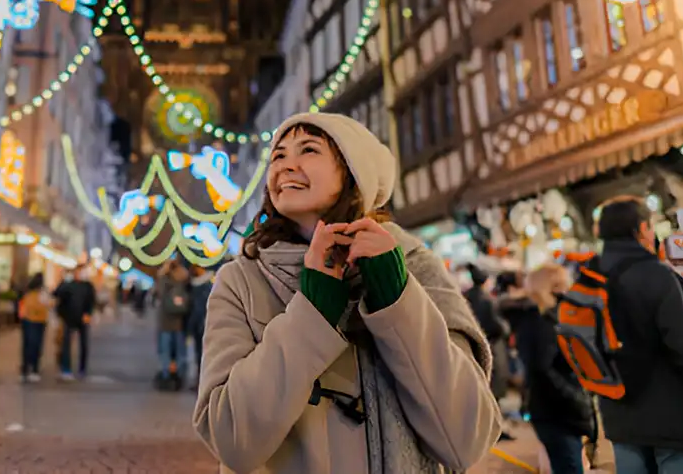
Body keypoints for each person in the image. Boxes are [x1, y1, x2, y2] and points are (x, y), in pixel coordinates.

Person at [193, 112, 501, 473]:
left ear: (354, 174)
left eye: (308, 150)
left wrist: (397, 300)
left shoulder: (416, 266)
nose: (286, 166)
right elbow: (231, 441)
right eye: (278, 156)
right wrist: (313, 314)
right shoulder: (241, 281)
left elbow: (468, 439)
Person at [594, 197, 683, 474]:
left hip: (622, 425)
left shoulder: (589, 281)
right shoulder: (658, 277)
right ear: (643, 228)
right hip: (679, 426)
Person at [516, 263, 595, 474]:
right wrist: (575, 398)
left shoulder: (535, 318)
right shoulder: (545, 322)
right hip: (558, 412)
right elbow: (544, 369)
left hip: (551, 410)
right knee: (569, 466)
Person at [465, 263, 514, 441]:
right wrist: (506, 328)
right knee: (493, 391)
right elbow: (498, 326)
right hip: (492, 348)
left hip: (473, 349)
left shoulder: (466, 297)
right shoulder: (486, 300)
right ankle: (493, 431)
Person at [53, 264, 96, 380]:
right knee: (66, 344)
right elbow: (57, 294)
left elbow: (91, 301)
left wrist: (88, 314)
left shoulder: (88, 286)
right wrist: (62, 280)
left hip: (83, 319)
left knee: (84, 344)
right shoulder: (68, 284)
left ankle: (82, 368)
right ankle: (66, 368)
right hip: (68, 318)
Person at [155, 258, 191, 384]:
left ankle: (166, 375)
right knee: (180, 351)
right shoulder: (183, 279)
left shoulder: (163, 280)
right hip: (179, 322)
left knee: (165, 351)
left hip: (165, 322)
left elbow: (159, 295)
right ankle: (180, 375)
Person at [18, 273, 50, 382]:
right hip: (37, 321)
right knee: (35, 345)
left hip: (29, 321)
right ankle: (33, 369)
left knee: (28, 345)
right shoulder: (41, 292)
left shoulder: (27, 292)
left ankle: (26, 369)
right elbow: (47, 304)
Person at [186, 264, 214, 389]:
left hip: (202, 323)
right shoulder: (203, 285)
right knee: (200, 354)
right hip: (201, 323)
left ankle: (202, 381)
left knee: (202, 354)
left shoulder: (202, 285)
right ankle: (200, 380)